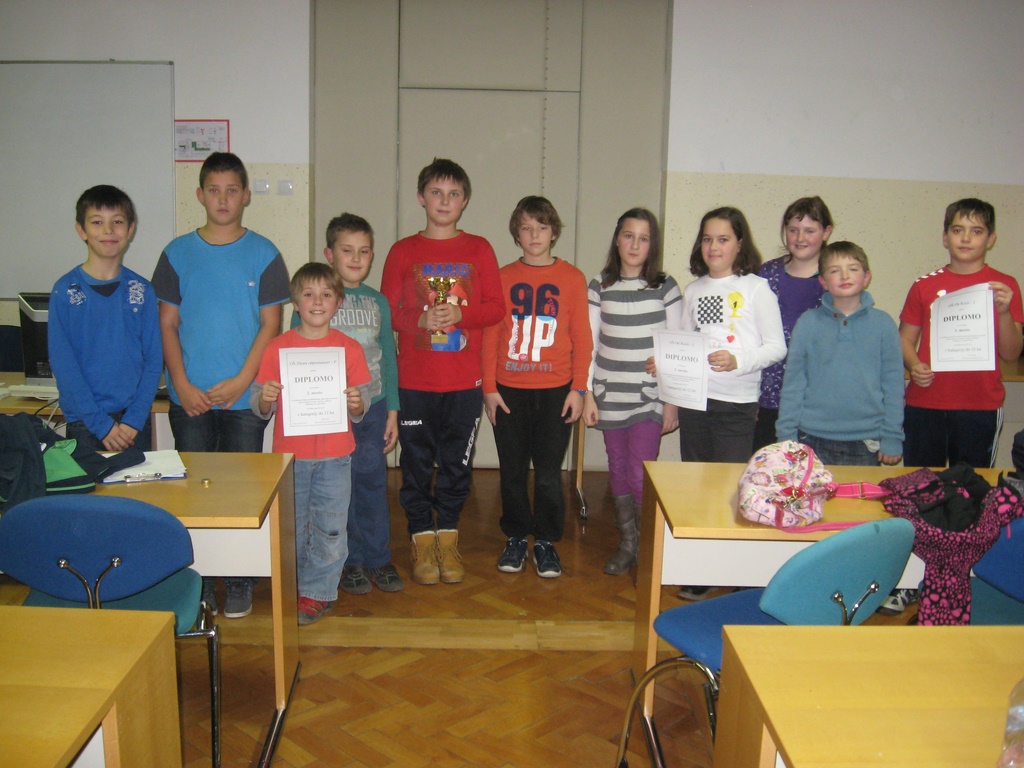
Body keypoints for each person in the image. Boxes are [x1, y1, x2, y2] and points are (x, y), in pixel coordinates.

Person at [152, 151, 290, 618]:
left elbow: (270, 325)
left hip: (244, 398)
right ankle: (201, 581)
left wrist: (242, 381)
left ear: (246, 196)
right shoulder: (176, 254)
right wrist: (181, 383)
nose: (223, 199)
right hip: (190, 397)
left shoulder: (264, 253)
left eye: (232, 190)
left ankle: (239, 578)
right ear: (200, 195)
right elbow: (167, 324)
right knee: (194, 490)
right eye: (214, 190)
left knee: (242, 490)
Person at [379, 158, 504, 585]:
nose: (444, 201)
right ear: (421, 197)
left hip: (463, 383)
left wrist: (462, 315)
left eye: (454, 194)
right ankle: (420, 537)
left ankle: (448, 537)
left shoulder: (479, 249)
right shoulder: (403, 251)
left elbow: (496, 308)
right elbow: (386, 312)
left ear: (465, 200)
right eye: (436, 192)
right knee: (415, 464)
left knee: (456, 465)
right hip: (415, 382)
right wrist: (420, 319)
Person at [676, 207, 785, 600]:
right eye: (707, 239)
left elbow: (776, 347)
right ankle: (702, 568)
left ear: (740, 243)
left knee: (731, 490)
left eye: (723, 239)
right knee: (697, 487)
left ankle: (737, 567)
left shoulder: (756, 288)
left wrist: (739, 361)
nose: (713, 247)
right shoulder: (694, 290)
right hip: (694, 405)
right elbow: (685, 345)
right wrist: (665, 364)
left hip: (736, 405)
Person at [252, 262, 371, 624]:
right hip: (290, 458)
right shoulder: (277, 348)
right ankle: (295, 588)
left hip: (336, 456)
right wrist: (266, 398)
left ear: (338, 303)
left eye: (326, 294)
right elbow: (259, 406)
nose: (317, 302)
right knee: (294, 525)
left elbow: (362, 405)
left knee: (330, 526)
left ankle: (317, 593)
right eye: (308, 294)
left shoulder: (349, 349)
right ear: (295, 302)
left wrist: (356, 403)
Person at [292, 213, 403, 595]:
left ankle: (378, 557)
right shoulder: (316, 299)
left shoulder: (377, 301)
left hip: (372, 408)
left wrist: (392, 410)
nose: (356, 258)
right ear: (329, 254)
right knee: (338, 489)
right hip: (327, 413)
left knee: (371, 481)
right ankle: (350, 561)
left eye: (364, 251)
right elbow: (295, 352)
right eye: (347, 250)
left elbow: (388, 355)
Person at [482, 196, 592, 578]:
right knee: (512, 470)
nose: (534, 235)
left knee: (547, 473)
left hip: (556, 391)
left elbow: (582, 338)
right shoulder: (501, 276)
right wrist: (489, 388)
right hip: (508, 389)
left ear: (554, 232)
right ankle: (515, 536)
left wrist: (579, 389)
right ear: (516, 232)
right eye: (526, 228)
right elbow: (490, 337)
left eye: (541, 228)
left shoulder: (572, 278)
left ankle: (545, 540)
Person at [582, 208, 682, 576]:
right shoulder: (599, 286)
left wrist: (671, 402)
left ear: (652, 244)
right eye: (628, 236)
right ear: (617, 239)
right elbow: (590, 345)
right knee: (619, 469)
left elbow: (678, 346)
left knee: (641, 473)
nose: (635, 245)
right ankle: (628, 543)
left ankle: (648, 547)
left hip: (649, 396)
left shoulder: (665, 286)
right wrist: (588, 393)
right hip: (610, 394)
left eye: (643, 238)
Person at [900, 198, 1023, 470]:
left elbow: (1011, 353)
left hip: (980, 404)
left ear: (991, 239)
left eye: (976, 231)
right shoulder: (924, 285)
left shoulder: (1005, 286)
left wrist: (1003, 312)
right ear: (945, 237)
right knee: (921, 484)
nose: (966, 238)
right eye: (957, 230)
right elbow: (904, 339)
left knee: (972, 486)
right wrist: (914, 364)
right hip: (925, 401)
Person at [49, 185, 162, 454]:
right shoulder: (65, 291)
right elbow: (64, 366)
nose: (108, 231)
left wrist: (135, 419)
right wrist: (101, 425)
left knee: (137, 483)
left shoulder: (142, 291)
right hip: (85, 422)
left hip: (133, 423)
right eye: (97, 222)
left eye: (117, 222)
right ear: (82, 230)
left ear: (130, 229)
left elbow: (153, 360)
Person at [776, 241, 904, 466]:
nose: (844, 276)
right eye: (835, 270)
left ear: (866, 277)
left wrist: (892, 436)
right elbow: (794, 383)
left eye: (853, 269)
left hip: (866, 440)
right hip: (812, 438)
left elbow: (893, 385)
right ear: (823, 281)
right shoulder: (808, 323)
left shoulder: (883, 324)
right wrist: (786, 436)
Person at [753, 196, 833, 451]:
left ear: (826, 232)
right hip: (767, 395)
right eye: (793, 230)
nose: (800, 238)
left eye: (809, 231)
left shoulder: (835, 279)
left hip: (816, 396)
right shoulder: (766, 275)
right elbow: (749, 332)